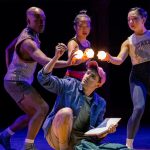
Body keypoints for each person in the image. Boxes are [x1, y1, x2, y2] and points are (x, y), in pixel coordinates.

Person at [0, 7, 73, 150]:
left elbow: (8, 49)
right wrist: (67, 62)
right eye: (37, 19)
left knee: (33, 114)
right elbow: (45, 61)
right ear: (29, 20)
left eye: (43, 19)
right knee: (42, 108)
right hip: (16, 82)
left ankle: (5, 135)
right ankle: (28, 146)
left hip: (16, 80)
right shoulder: (28, 42)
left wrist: (9, 69)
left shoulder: (30, 33)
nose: (41, 22)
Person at [37, 47, 118, 150]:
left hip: (80, 140)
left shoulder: (100, 103)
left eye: (93, 76)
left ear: (98, 84)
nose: (87, 76)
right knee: (66, 112)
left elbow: (98, 132)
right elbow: (43, 79)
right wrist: (56, 57)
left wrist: (107, 131)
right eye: (87, 73)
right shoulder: (69, 84)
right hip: (56, 136)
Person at [101, 7, 150, 149]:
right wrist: (109, 57)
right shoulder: (128, 41)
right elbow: (119, 60)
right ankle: (129, 145)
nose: (131, 21)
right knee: (139, 108)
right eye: (129, 19)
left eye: (135, 18)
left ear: (144, 19)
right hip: (138, 76)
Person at [65, 10, 92, 80]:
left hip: (84, 78)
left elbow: (87, 63)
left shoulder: (88, 43)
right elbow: (71, 62)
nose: (84, 29)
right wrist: (84, 58)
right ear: (75, 27)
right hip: (72, 78)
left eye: (87, 26)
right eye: (81, 26)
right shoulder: (72, 43)